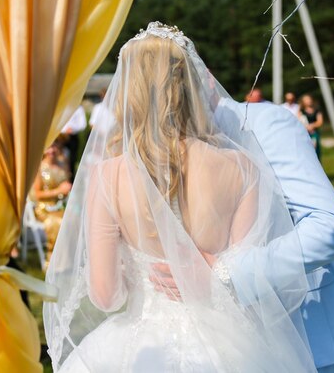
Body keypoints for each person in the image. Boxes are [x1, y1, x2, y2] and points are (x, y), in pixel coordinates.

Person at [44, 22, 316, 372]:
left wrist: (134, 271)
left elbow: (107, 296)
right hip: (229, 347)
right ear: (192, 84)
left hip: (138, 345)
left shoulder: (108, 176)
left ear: (128, 91)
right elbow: (248, 278)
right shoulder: (242, 168)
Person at [152, 98, 334, 373]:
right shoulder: (158, 140)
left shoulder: (265, 124)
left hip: (307, 331)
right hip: (219, 340)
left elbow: (329, 228)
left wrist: (224, 273)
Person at [32, 142, 72, 267]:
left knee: (76, 220)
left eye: (55, 146)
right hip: (44, 208)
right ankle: (53, 261)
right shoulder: (39, 167)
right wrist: (58, 191)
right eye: (49, 147)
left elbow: (66, 184)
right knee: (58, 222)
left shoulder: (63, 163)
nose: (52, 150)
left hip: (61, 205)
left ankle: (70, 260)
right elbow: (37, 195)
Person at [61, 105, 87, 176]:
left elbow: (82, 124)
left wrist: (72, 129)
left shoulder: (79, 108)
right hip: (61, 138)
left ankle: (71, 178)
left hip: (73, 137)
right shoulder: (61, 106)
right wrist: (64, 130)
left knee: (72, 160)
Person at [298, 94, 324, 161]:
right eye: (306, 100)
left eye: (309, 99)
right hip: (305, 133)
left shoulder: (317, 110)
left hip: (314, 133)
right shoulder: (301, 111)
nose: (308, 101)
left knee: (315, 150)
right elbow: (298, 120)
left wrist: (312, 125)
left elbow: (320, 122)